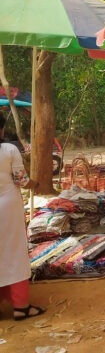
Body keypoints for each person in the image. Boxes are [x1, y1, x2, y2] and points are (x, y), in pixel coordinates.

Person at [0, 114, 45, 321]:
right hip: (7, 206)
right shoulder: (9, 150)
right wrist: (35, 184)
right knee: (14, 252)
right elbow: (22, 180)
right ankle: (21, 306)